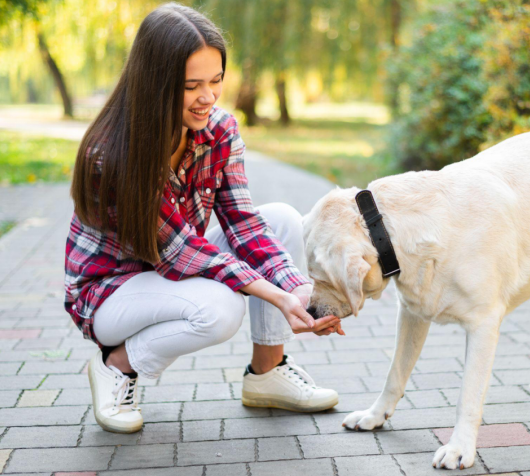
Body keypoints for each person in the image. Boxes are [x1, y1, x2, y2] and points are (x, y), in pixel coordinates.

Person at [63, 2, 343, 434]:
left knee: (282, 218)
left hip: (169, 268)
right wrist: (278, 296)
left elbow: (244, 224)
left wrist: (300, 291)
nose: (208, 97)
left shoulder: (219, 131)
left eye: (215, 81)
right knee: (219, 308)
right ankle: (116, 365)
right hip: (110, 291)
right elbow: (180, 254)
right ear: (155, 84)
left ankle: (267, 374)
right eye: (192, 85)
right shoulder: (114, 154)